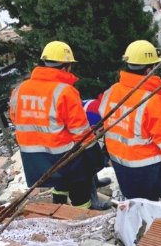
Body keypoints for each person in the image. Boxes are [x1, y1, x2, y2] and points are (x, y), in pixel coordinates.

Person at [99, 40, 161, 201]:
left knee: (136, 203)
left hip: (121, 167)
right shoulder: (151, 101)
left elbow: (107, 125)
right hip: (147, 170)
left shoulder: (111, 91)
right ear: (148, 69)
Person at [9, 41, 104, 209]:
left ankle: (57, 206)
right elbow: (80, 131)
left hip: (32, 157)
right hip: (62, 154)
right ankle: (83, 214)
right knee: (79, 187)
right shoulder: (65, 91)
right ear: (66, 66)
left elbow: (16, 119)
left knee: (57, 180)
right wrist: (95, 153)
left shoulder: (19, 89)